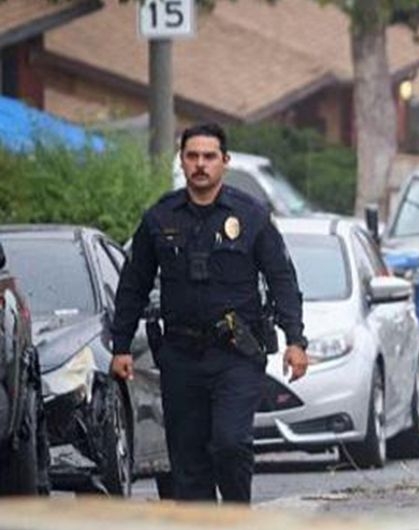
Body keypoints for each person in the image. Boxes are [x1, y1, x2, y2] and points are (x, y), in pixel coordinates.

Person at [109, 123, 307, 502]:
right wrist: (120, 346)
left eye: (209, 157)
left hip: (236, 354)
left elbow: (282, 279)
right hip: (181, 356)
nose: (201, 164)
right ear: (182, 161)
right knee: (187, 458)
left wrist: (295, 340)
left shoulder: (251, 217)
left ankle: (235, 520)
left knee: (231, 443)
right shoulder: (159, 218)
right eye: (192, 156)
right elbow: (133, 285)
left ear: (225, 162)